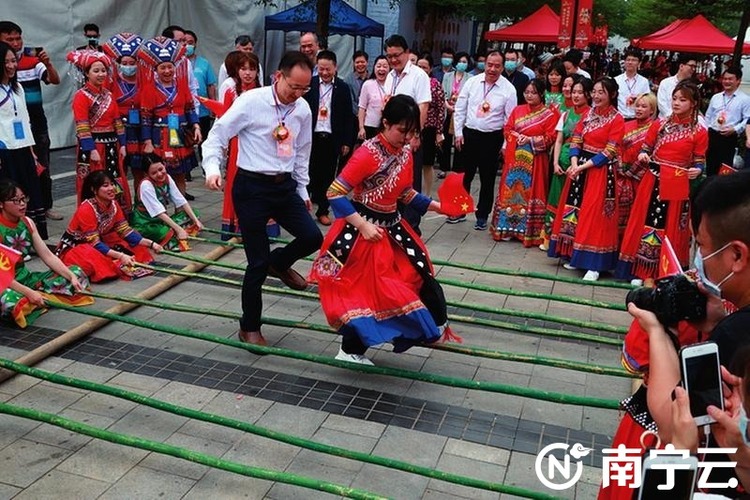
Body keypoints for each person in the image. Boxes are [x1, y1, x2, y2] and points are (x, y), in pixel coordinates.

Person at [626, 171, 750, 497]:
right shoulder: (731, 326)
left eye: (703, 245)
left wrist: (658, 331)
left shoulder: (736, 337)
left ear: (737, 256)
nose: (699, 256)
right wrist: (718, 323)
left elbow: (672, 422)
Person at [309, 95, 454, 365]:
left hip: (393, 228)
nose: (406, 138)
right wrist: (363, 226)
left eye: (411, 133)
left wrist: (438, 206)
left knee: (413, 278)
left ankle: (395, 334)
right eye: (402, 131)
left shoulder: (406, 153)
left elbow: (406, 193)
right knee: (364, 292)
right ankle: (350, 350)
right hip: (362, 231)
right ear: (385, 123)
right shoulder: (366, 153)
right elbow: (335, 193)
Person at [202, 51, 324, 347]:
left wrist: (303, 190)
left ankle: (279, 263)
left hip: (283, 187)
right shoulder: (251, 102)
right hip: (251, 188)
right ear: (277, 77)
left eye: (303, 88)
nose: (296, 94)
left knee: (312, 237)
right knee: (256, 262)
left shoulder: (302, 110)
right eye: (292, 87)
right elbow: (217, 135)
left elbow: (302, 151)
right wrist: (211, 169)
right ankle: (250, 326)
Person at [616, 82, 707, 285]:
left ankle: (664, 272)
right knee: (647, 221)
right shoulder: (660, 123)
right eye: (675, 98)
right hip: (653, 178)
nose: (676, 103)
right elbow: (646, 148)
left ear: (693, 104)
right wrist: (642, 154)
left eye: (682, 100)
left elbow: (699, 160)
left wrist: (698, 170)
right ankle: (642, 270)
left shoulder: (699, 131)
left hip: (677, 180)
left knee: (670, 225)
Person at [548, 77, 625, 281]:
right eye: (595, 92)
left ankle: (595, 264)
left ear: (612, 95)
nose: (597, 96)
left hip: (599, 171)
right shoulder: (589, 113)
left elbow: (609, 151)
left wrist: (580, 166)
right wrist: (574, 163)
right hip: (580, 167)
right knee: (575, 211)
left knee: (596, 215)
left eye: (602, 93)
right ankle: (576, 255)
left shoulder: (617, 119)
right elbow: (576, 138)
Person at [0, 179, 91, 328]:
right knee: (10, 301)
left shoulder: (27, 222)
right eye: (16, 200)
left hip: (25, 278)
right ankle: (34, 298)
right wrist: (29, 292)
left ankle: (36, 299)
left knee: (76, 272)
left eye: (24, 199)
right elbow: (2, 276)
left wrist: (70, 276)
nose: (22, 204)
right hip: (4, 283)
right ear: (1, 204)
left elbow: (47, 255)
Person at [0, 21, 61, 222]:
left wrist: (49, 63)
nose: (16, 43)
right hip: (6, 144)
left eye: (18, 38)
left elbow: (54, 79)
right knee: (10, 184)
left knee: (37, 174)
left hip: (30, 134)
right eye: (10, 39)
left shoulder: (26, 68)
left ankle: (41, 211)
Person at [57, 171, 162, 282]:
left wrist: (152, 244)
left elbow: (125, 231)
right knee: (100, 264)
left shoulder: (113, 204)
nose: (111, 188)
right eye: (105, 185)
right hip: (78, 248)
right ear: (94, 189)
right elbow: (94, 243)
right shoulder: (86, 209)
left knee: (135, 244)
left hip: (98, 243)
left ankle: (116, 262)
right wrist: (121, 256)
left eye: (112, 184)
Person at [452, 51, 517, 230]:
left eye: (497, 66)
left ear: (502, 67)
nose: (492, 69)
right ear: (484, 64)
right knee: (463, 176)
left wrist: (505, 144)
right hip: (469, 135)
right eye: (489, 64)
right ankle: (459, 210)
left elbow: (509, 120)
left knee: (487, 179)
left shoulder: (508, 89)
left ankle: (482, 215)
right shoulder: (472, 82)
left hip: (492, 137)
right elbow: (460, 109)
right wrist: (458, 133)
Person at [491, 79, 559, 246]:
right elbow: (507, 128)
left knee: (532, 192)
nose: (529, 95)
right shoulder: (517, 110)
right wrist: (515, 137)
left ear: (541, 93)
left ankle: (529, 232)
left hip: (535, 161)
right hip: (515, 159)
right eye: (527, 92)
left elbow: (551, 137)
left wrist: (530, 140)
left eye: (533, 92)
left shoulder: (550, 114)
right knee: (510, 191)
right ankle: (506, 228)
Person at [67, 49, 131, 213]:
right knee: (93, 181)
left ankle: (117, 214)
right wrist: (91, 149)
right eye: (96, 71)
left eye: (103, 70)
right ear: (87, 73)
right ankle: (93, 214)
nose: (101, 74)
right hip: (92, 147)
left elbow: (117, 121)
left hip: (111, 145)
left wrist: (122, 144)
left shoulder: (109, 94)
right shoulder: (81, 96)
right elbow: (82, 124)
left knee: (114, 178)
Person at [139, 36, 201, 199]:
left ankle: (180, 211)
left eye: (170, 67)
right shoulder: (149, 89)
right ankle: (160, 211)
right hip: (160, 137)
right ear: (156, 70)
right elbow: (145, 117)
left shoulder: (181, 85)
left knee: (180, 174)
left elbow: (189, 108)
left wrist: (196, 126)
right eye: (163, 68)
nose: (167, 71)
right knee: (159, 176)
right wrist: (147, 142)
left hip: (178, 134)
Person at [383, 34, 431, 233]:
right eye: (389, 56)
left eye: (397, 55)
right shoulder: (390, 75)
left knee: (410, 181)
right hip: (391, 138)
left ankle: (412, 226)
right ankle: (394, 220)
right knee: (392, 178)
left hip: (409, 138)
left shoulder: (419, 75)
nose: (393, 60)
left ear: (407, 53)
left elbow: (423, 107)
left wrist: (415, 136)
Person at [0, 41, 47, 240]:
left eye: (13, 61)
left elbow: (25, 118)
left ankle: (31, 238)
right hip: (4, 147)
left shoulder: (17, 86)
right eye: (6, 62)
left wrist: (31, 149)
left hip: (23, 146)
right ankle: (11, 238)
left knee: (28, 191)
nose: (11, 66)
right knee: (9, 193)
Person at [302, 50, 354, 226]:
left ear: (335, 68)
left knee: (328, 177)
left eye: (328, 69)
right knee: (307, 174)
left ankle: (323, 210)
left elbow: (348, 117)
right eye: (321, 69)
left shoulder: (343, 87)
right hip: (311, 136)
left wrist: (347, 141)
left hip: (332, 138)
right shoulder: (310, 84)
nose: (324, 73)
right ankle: (302, 209)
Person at [541, 75, 589, 252]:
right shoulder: (566, 114)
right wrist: (555, 163)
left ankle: (568, 242)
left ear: (588, 95)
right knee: (555, 199)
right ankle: (549, 238)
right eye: (574, 92)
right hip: (560, 162)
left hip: (578, 165)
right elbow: (559, 141)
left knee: (572, 204)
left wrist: (575, 164)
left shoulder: (591, 115)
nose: (575, 95)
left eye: (580, 92)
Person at [218, 51, 261, 239]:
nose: (248, 73)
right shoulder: (230, 91)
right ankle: (234, 226)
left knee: (259, 183)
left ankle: (257, 226)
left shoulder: (263, 92)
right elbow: (224, 119)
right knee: (236, 182)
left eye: (252, 69)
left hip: (260, 142)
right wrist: (223, 145)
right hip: (237, 142)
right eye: (244, 69)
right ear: (237, 70)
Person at [131, 153, 202, 251]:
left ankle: (175, 232)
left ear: (164, 164)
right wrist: (179, 229)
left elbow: (180, 200)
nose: (159, 174)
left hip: (162, 221)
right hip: (145, 224)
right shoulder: (146, 185)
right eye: (154, 173)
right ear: (147, 174)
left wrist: (196, 221)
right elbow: (158, 212)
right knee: (163, 231)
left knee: (194, 213)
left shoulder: (167, 178)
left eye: (161, 169)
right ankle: (173, 234)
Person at [102, 33, 144, 195]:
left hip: (139, 129)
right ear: (118, 64)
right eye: (124, 63)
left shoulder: (144, 80)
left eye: (132, 63)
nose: (128, 66)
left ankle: (141, 207)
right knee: (119, 169)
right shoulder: (112, 81)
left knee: (140, 171)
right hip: (119, 130)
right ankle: (121, 206)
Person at [615, 92, 657, 240]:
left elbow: (652, 152)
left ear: (652, 110)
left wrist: (632, 170)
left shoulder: (655, 128)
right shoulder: (626, 125)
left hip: (641, 177)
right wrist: (621, 168)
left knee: (638, 213)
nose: (639, 109)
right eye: (637, 105)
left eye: (644, 106)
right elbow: (617, 147)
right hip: (621, 174)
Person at [704, 67, 750, 176]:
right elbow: (708, 116)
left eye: (730, 79)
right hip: (712, 135)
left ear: (738, 80)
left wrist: (735, 129)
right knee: (710, 166)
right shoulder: (716, 97)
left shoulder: (745, 99)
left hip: (729, 137)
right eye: (724, 79)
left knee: (725, 169)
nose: (726, 82)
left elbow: (747, 120)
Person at [416, 55, 445, 196]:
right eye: (419, 66)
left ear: (430, 69)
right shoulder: (412, 81)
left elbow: (441, 109)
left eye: (424, 67)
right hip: (413, 128)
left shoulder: (434, 84)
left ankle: (427, 194)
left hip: (429, 128)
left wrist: (439, 132)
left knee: (427, 163)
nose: (421, 69)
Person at [183, 30, 217, 149]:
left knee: (204, 142)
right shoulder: (175, 64)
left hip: (202, 110)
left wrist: (213, 106)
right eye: (184, 42)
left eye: (190, 42)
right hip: (183, 110)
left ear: (195, 44)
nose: (187, 45)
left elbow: (211, 85)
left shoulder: (204, 63)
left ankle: (205, 166)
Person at [358, 55, 389, 141]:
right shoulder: (368, 84)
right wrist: (361, 128)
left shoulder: (393, 84)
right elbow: (362, 107)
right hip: (370, 127)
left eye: (385, 66)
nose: (381, 69)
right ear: (374, 68)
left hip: (387, 128)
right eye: (378, 66)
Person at [656, 53, 697, 118]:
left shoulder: (692, 86)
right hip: (664, 120)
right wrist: (672, 117)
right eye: (691, 66)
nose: (693, 69)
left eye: (695, 67)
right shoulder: (666, 82)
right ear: (681, 66)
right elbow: (661, 104)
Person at [614, 48, 650, 120]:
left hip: (637, 118)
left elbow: (647, 100)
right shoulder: (616, 80)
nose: (630, 62)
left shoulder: (644, 81)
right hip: (619, 118)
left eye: (634, 60)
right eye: (628, 60)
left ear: (639, 63)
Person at [345, 50, 368, 116]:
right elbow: (350, 101)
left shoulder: (372, 79)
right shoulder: (348, 80)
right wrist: (361, 114)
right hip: (354, 117)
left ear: (367, 62)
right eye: (357, 62)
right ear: (353, 63)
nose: (360, 64)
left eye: (362, 62)